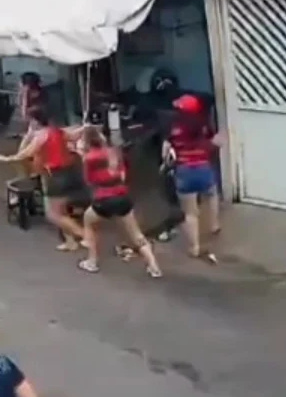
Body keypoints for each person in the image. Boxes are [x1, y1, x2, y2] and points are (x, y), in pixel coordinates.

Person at [0, 109, 89, 252]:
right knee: (61, 211)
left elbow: (25, 154)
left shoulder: (41, 136)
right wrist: (85, 127)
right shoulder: (57, 131)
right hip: (69, 173)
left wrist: (6, 159)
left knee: (53, 214)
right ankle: (70, 242)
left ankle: (84, 235)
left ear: (35, 121)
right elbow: (74, 136)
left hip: (55, 177)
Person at [78, 126, 162, 277]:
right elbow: (123, 175)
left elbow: (89, 181)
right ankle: (153, 265)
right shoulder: (114, 154)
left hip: (103, 199)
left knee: (89, 222)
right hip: (122, 197)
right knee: (136, 234)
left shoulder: (89, 158)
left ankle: (92, 261)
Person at [164, 94, 221, 261]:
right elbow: (212, 143)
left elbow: (166, 152)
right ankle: (214, 224)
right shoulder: (204, 127)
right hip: (203, 168)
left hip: (184, 172)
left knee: (190, 213)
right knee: (212, 194)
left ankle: (194, 247)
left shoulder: (173, 129)